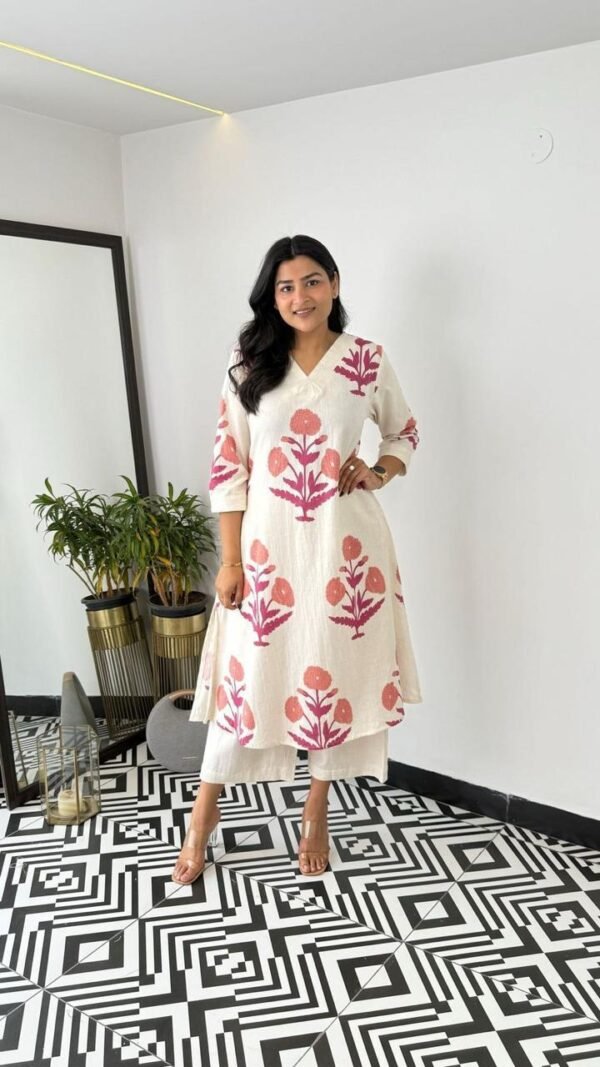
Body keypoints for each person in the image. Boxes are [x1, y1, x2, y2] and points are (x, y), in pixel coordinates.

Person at [171, 234, 422, 885]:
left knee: (330, 674)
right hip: (265, 551)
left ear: (334, 284)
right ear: (272, 297)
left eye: (311, 281)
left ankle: (317, 809)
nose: (299, 296)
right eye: (285, 287)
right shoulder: (249, 361)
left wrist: (379, 470)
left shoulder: (366, 359)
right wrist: (230, 561)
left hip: (346, 549)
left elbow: (404, 432)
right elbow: (228, 464)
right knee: (245, 679)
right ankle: (203, 812)